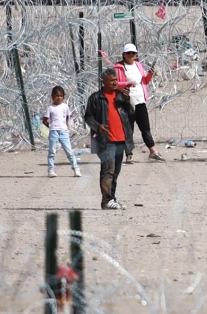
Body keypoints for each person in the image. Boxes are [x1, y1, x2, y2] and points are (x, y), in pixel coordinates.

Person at [84, 69, 134, 210]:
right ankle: (106, 200)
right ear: (104, 81)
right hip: (105, 140)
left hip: (121, 140)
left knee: (115, 171)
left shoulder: (120, 96)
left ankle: (111, 199)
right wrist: (98, 127)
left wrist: (127, 100)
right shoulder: (96, 98)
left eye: (116, 80)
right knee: (107, 170)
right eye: (112, 80)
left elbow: (130, 113)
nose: (115, 83)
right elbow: (88, 117)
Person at [114, 43, 165, 163]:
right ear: (124, 54)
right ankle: (129, 154)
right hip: (127, 102)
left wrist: (150, 74)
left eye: (133, 53)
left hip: (140, 101)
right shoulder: (119, 67)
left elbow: (144, 82)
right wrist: (127, 84)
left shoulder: (138, 65)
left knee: (145, 128)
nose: (131, 55)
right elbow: (114, 84)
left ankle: (153, 152)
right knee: (128, 129)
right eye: (128, 53)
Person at [42, 85, 81, 178]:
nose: (59, 98)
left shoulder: (65, 106)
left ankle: (76, 168)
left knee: (69, 151)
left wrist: (66, 126)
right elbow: (44, 120)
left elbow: (67, 117)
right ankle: (51, 170)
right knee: (52, 151)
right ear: (52, 97)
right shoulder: (50, 108)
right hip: (54, 132)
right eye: (56, 96)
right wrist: (50, 126)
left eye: (60, 96)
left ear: (63, 96)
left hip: (63, 132)